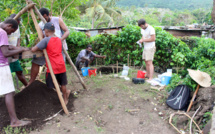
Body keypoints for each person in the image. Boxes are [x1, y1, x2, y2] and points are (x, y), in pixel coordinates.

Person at [0, 19, 31, 127]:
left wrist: (17, 48)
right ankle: (14, 121)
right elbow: (6, 53)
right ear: (8, 26)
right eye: (12, 31)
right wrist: (20, 49)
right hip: (1, 66)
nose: (10, 33)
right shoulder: (2, 32)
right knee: (9, 92)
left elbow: (6, 47)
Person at [28, 7, 70, 86]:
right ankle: (31, 82)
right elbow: (42, 38)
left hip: (60, 48)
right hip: (48, 49)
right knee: (36, 60)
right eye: (42, 17)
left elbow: (67, 31)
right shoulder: (40, 25)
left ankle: (60, 86)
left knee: (59, 68)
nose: (43, 19)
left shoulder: (57, 20)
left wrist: (59, 40)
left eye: (45, 17)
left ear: (48, 15)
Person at [31, 22, 70, 104]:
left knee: (50, 85)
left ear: (46, 31)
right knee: (63, 83)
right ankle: (65, 99)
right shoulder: (59, 39)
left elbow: (33, 50)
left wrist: (41, 48)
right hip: (61, 64)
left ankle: (52, 101)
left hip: (53, 67)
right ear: (54, 30)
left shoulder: (45, 40)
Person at [8, 14, 28, 87]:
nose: (17, 26)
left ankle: (28, 87)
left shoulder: (17, 27)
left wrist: (18, 47)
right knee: (6, 75)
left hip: (14, 54)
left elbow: (18, 38)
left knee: (19, 71)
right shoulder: (2, 27)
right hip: (5, 55)